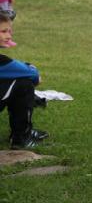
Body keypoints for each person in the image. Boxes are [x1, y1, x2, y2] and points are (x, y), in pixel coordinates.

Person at [0, 13, 48, 149]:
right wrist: (33, 72)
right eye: (4, 31)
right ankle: (22, 136)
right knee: (24, 84)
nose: (9, 36)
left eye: (9, 31)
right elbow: (32, 74)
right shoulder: (2, 62)